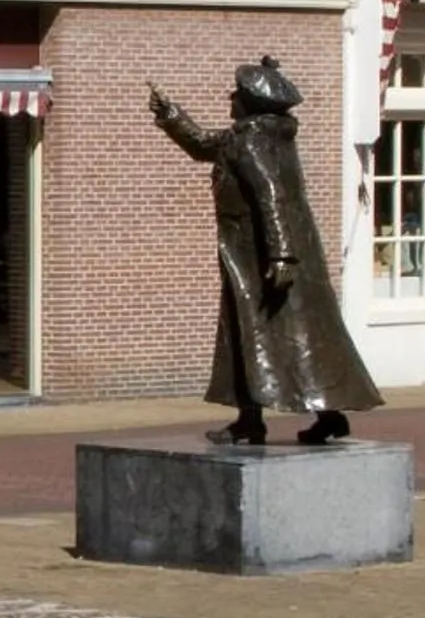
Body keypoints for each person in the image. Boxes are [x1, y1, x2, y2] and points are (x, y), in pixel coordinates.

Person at [151, 58, 384, 447]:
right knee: (299, 333)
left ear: (250, 103)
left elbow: (269, 195)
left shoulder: (250, 140)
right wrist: (170, 114)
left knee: (250, 331)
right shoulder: (260, 136)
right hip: (278, 253)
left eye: (237, 93)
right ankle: (318, 415)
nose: (230, 97)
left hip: (257, 257)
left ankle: (255, 419)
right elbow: (204, 144)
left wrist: (280, 256)